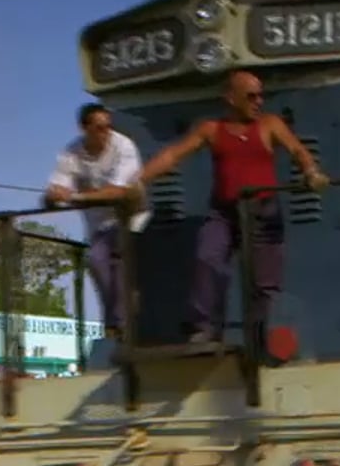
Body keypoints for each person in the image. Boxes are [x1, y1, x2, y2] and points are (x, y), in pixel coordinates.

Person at [130, 70, 328, 344]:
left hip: (263, 211)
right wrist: (138, 180)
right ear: (231, 98)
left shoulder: (270, 124)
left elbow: (297, 150)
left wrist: (311, 171)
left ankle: (261, 336)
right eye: (251, 96)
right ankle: (205, 327)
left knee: (264, 282)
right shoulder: (211, 129)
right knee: (207, 257)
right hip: (223, 212)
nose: (259, 101)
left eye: (261, 95)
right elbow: (173, 154)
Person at [44, 103, 147, 345]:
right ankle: (116, 323)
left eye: (108, 127)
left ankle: (123, 324)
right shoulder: (71, 153)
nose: (106, 133)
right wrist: (52, 196)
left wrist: (75, 196)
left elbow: (117, 192)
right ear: (84, 128)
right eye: (100, 128)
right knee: (96, 261)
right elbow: (56, 188)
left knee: (121, 260)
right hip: (99, 225)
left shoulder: (123, 147)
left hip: (132, 219)